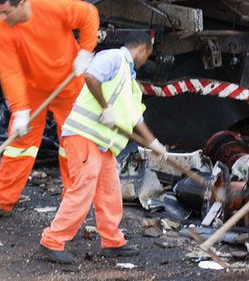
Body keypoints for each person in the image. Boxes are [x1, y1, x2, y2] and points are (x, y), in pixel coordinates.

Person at [0, 0, 99, 221]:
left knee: (72, 146)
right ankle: (2, 201)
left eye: (6, 12)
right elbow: (10, 71)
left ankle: (71, 204)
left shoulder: (51, 5)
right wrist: (20, 111)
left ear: (22, 4)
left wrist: (86, 50)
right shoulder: (2, 29)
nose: (1, 17)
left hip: (68, 85)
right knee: (19, 144)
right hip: (32, 90)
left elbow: (88, 14)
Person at [39, 30, 166, 264]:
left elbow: (135, 117)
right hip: (84, 134)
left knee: (110, 191)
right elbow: (91, 77)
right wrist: (105, 108)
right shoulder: (114, 58)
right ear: (143, 49)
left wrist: (153, 143)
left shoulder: (129, 79)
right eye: (148, 55)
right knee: (83, 189)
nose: (146, 59)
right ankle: (52, 240)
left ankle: (112, 242)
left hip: (103, 143)